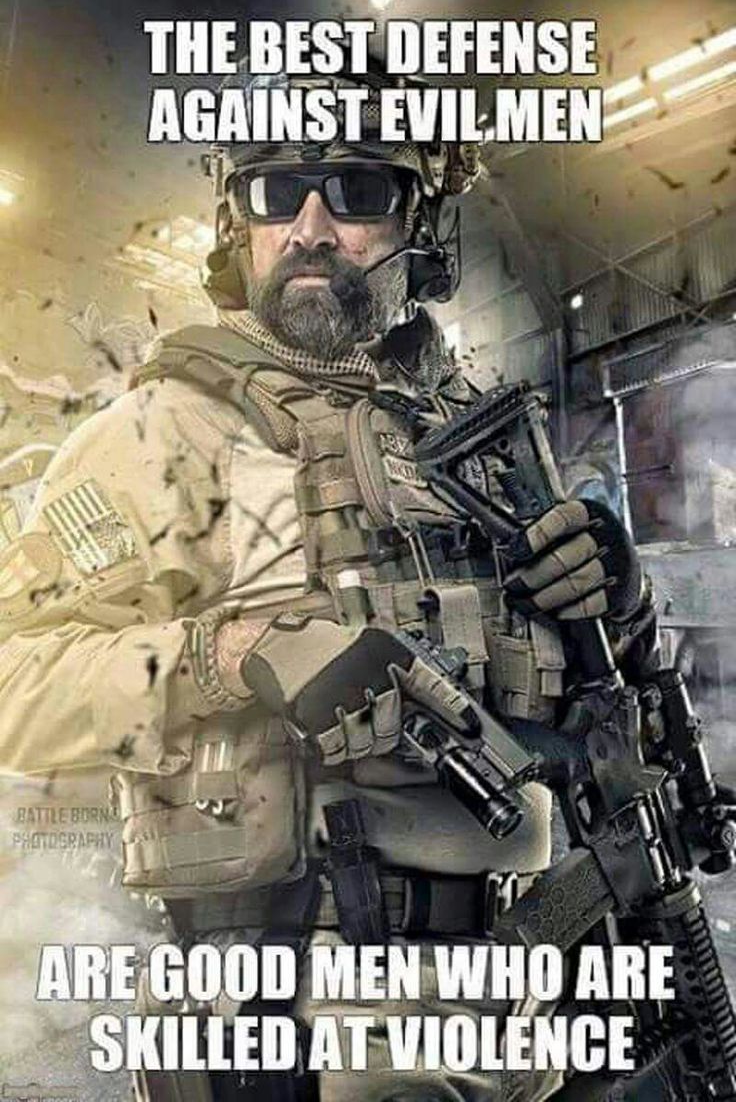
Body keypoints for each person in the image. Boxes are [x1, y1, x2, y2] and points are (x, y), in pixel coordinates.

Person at [0, 61, 657, 1102]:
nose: (310, 228)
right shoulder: (164, 431)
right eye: (275, 193)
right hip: (284, 1011)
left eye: (355, 190)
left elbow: (604, 710)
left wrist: (623, 605)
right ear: (237, 224)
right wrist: (225, 657)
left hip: (513, 999)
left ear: (419, 224)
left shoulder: (485, 436)